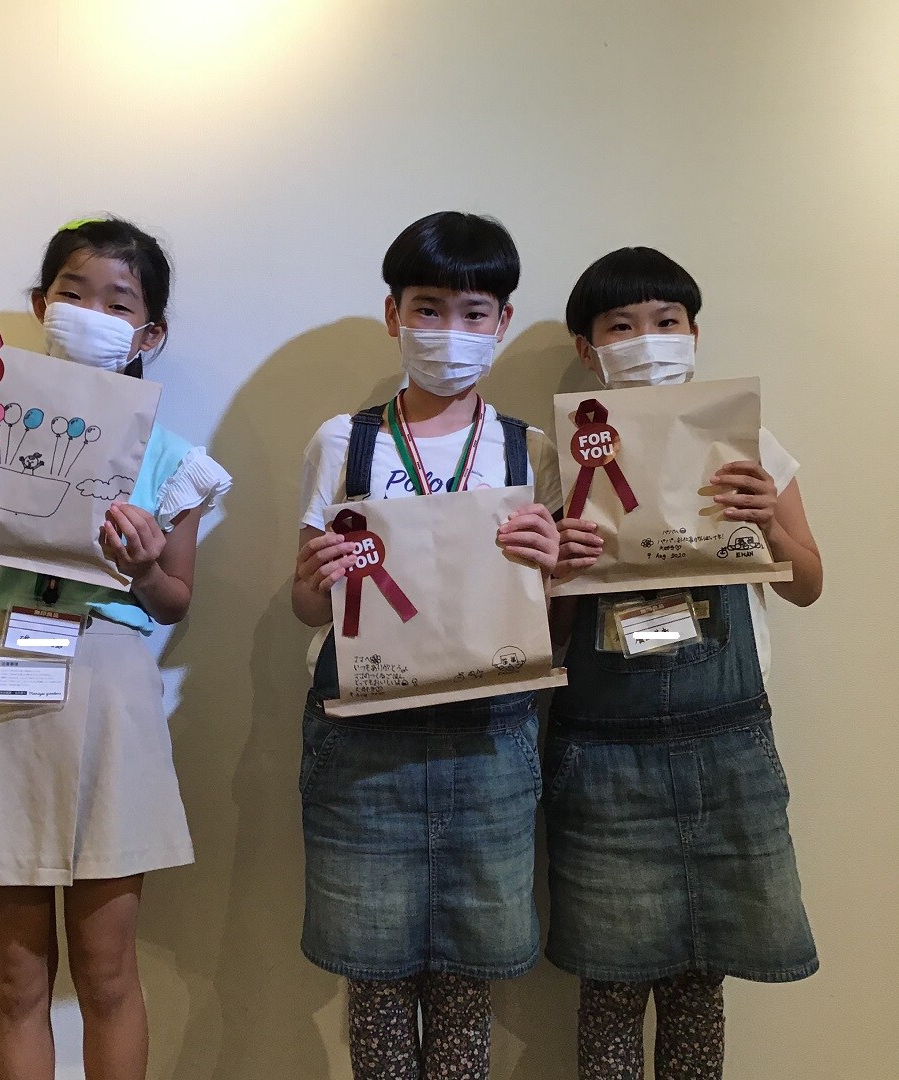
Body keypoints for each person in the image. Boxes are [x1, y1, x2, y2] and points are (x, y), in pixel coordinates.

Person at [0, 217, 231, 1080]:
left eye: (118, 303)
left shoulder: (173, 460)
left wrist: (143, 565)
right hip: (1, 678)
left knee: (108, 973)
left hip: (109, 686)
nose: (91, 314)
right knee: (15, 978)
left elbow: (173, 601)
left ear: (150, 333)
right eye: (73, 294)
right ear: (41, 306)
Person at [292, 211, 562, 1079]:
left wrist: (555, 566)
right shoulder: (344, 441)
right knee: (373, 981)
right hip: (364, 743)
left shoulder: (531, 451)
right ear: (394, 314)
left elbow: (548, 618)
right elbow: (304, 605)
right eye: (428, 308)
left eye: (473, 311)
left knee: (467, 981)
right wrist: (316, 574)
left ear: (502, 322)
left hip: (491, 739)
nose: (451, 330)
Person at [545, 246, 821, 1080]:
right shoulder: (561, 459)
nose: (648, 340)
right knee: (609, 987)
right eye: (621, 326)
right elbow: (544, 635)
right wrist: (561, 570)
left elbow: (809, 583)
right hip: (603, 754)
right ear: (589, 349)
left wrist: (768, 527)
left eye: (667, 321)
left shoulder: (752, 445)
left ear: (694, 334)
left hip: (726, 743)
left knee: (703, 979)